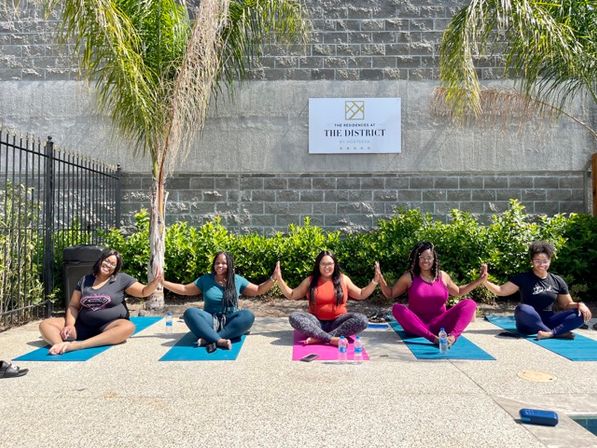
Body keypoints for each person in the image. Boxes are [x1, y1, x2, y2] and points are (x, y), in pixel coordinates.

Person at [39, 249, 163, 355]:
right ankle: (60, 346)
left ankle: (78, 345)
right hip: (83, 325)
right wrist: (70, 325)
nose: (108, 265)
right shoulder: (85, 280)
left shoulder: (121, 279)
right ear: (101, 260)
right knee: (46, 324)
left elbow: (143, 292)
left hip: (108, 326)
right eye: (107, 261)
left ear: (116, 268)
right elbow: (73, 305)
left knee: (128, 327)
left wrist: (154, 282)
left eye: (113, 264)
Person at [163, 251, 277, 353]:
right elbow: (184, 289)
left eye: (224, 263)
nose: (220, 265)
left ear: (230, 265)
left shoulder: (236, 279)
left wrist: (273, 278)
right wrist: (163, 282)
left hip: (229, 321)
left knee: (248, 315)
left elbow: (258, 289)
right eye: (217, 263)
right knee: (190, 313)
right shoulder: (205, 280)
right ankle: (220, 340)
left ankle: (209, 339)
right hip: (210, 321)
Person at [376, 241, 486, 346]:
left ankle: (452, 338)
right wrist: (380, 278)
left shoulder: (442, 276)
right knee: (397, 308)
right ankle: (433, 339)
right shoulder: (409, 277)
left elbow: (458, 292)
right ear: (417, 259)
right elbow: (390, 294)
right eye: (422, 257)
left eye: (429, 257)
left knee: (470, 303)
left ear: (434, 259)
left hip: (442, 326)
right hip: (417, 327)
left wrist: (479, 281)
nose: (425, 261)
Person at [483, 240, 591, 339]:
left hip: (550, 319)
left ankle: (549, 333)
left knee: (580, 314)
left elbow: (566, 304)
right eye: (537, 260)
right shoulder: (523, 278)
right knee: (522, 309)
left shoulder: (557, 280)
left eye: (545, 261)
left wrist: (579, 305)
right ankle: (554, 332)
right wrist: (484, 281)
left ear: (550, 261)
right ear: (532, 261)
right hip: (528, 322)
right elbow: (501, 290)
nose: (541, 264)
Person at [272, 250, 379, 346]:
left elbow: (361, 294)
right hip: (316, 323)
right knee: (294, 317)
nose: (326, 267)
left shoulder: (343, 279)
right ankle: (331, 339)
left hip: (338, 323)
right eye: (323, 264)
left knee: (362, 320)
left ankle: (320, 338)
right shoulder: (310, 281)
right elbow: (291, 295)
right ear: (318, 265)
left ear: (335, 264)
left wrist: (375, 281)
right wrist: (279, 279)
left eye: (329, 264)